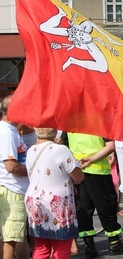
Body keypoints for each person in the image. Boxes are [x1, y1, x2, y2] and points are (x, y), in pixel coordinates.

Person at [66, 133, 123, 258]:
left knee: (83, 211)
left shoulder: (70, 125)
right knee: (107, 208)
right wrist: (91, 159)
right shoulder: (100, 121)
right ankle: (114, 243)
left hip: (77, 171)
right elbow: (111, 146)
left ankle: (89, 246)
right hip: (98, 171)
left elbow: (64, 147)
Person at [25, 128, 84, 259]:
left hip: (35, 201)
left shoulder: (30, 151)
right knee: (62, 247)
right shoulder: (61, 150)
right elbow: (78, 177)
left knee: (41, 247)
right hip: (57, 202)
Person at [0, 95, 37, 259]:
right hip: (12, 190)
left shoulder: (12, 131)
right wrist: (35, 169)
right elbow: (11, 166)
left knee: (18, 236)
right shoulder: (7, 133)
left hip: (16, 190)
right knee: (11, 239)